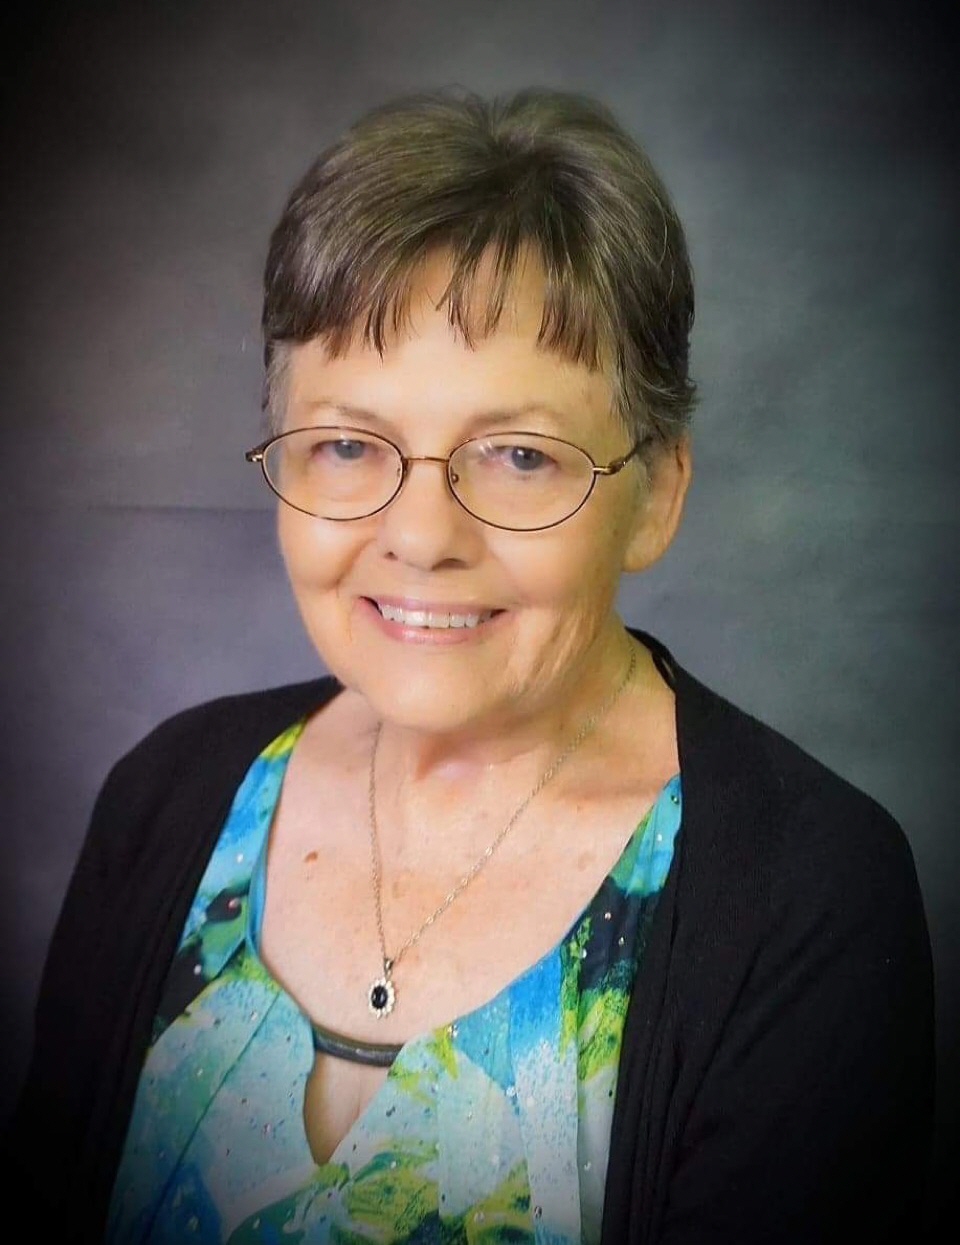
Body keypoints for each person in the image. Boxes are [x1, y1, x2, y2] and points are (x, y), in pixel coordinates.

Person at [5, 88, 934, 1245]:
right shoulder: (165, 797)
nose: (421, 535)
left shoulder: (810, 898)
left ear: (656, 495)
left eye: (519, 456)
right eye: (348, 444)